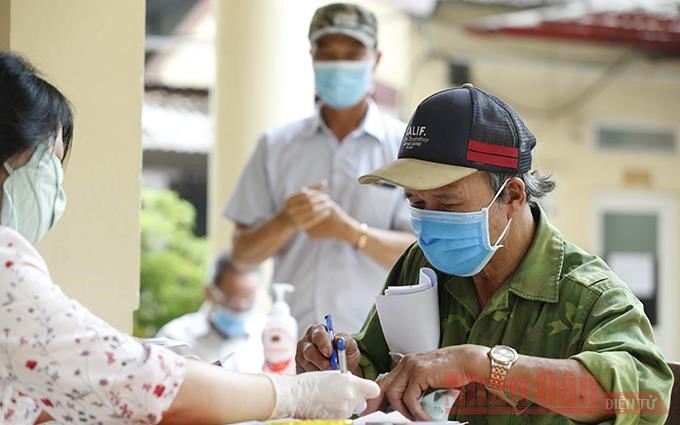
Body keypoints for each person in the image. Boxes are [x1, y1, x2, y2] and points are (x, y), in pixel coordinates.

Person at [0, 51, 380, 424]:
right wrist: (295, 394)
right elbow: (149, 389)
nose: (57, 190)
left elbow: (45, 389)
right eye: (51, 165)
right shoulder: (5, 263)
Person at [296, 85, 673, 424]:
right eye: (417, 202)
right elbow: (378, 374)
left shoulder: (590, 297)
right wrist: (346, 367)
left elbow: (646, 398)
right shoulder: (422, 266)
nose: (429, 220)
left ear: (513, 196)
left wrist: (481, 364)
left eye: (447, 202)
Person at [224, 2, 415, 334]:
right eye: (327, 53)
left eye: (352, 53)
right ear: (312, 57)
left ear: (376, 59)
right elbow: (242, 255)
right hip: (295, 340)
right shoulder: (276, 146)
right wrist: (286, 220)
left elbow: (424, 253)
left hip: (378, 344)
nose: (339, 65)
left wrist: (351, 232)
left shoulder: (405, 147)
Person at [156, 251, 266, 371]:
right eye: (232, 302)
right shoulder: (174, 337)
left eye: (249, 302)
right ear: (209, 292)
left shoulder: (269, 335)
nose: (241, 309)